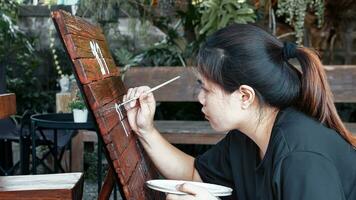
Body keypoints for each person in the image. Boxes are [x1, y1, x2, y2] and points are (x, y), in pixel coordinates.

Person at [123, 24, 356, 200]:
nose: (200, 98)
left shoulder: (301, 158)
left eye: (206, 88)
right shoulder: (246, 138)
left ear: (245, 96)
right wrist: (146, 130)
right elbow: (196, 175)